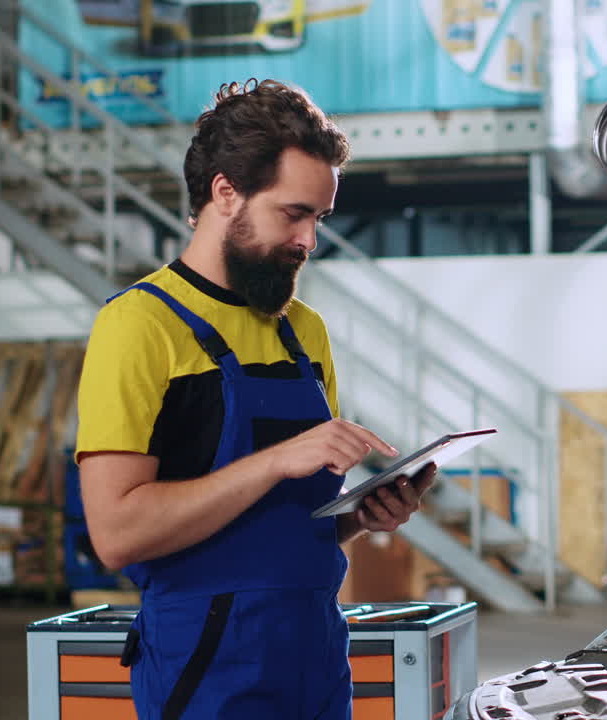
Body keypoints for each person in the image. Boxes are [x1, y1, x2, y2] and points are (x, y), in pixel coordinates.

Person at [75, 78, 435, 719]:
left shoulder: (307, 331)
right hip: (204, 665)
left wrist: (360, 516)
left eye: (318, 219)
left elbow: (288, 526)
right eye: (293, 213)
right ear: (225, 193)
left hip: (316, 655)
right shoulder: (138, 326)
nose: (309, 242)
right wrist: (275, 460)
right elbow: (116, 533)